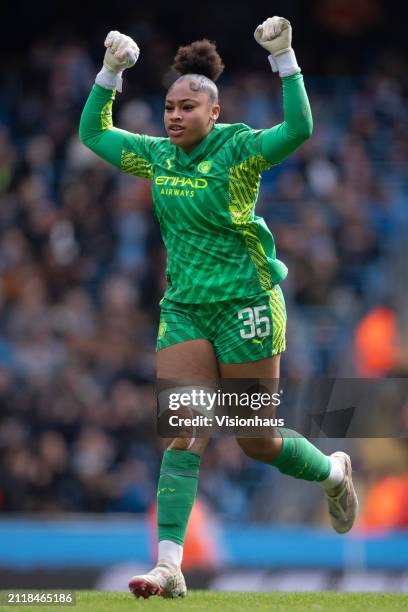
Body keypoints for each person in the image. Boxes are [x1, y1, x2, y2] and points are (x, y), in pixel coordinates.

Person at [79, 16, 358, 599]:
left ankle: (334, 474)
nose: (175, 116)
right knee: (185, 430)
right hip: (184, 308)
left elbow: (300, 129)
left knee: (254, 436)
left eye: (187, 107)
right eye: (168, 108)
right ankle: (170, 564)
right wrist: (111, 72)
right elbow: (93, 135)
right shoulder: (157, 157)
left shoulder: (238, 149)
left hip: (248, 305)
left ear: (213, 111)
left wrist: (284, 58)